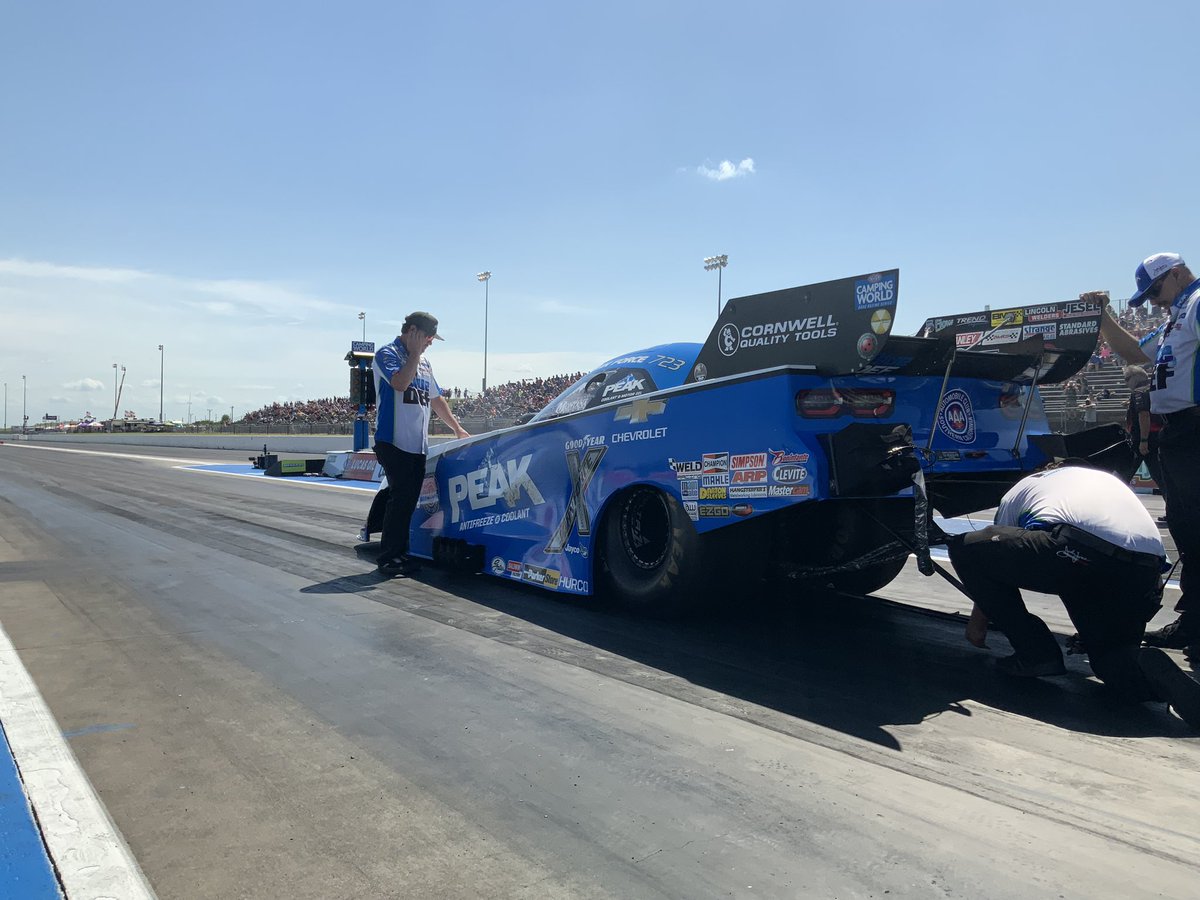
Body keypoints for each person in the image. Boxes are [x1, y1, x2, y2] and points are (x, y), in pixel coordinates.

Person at [944, 462, 1200, 729]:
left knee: (966, 548)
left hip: (1080, 553)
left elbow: (991, 559)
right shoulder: (1106, 481)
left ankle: (1035, 653)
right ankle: (1142, 670)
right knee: (1110, 660)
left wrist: (977, 624)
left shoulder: (1021, 489)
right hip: (1144, 570)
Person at [1086, 252, 1200, 649]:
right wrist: (1101, 315)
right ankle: (1194, 623)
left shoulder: (1198, 303)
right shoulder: (1176, 317)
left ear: (1178, 274)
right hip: (1179, 431)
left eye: (1155, 290)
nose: (1153, 301)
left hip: (1194, 425)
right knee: (1188, 528)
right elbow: (1136, 354)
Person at [372, 311, 470, 576]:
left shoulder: (425, 363)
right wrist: (414, 354)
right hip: (392, 441)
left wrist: (457, 429)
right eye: (427, 337)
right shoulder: (387, 354)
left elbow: (436, 399)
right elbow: (400, 384)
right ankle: (389, 556)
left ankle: (400, 552)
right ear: (412, 331)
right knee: (400, 497)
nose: (430, 342)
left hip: (417, 444)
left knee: (407, 500)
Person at [1123, 364, 1167, 521]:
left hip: (1144, 440)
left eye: (1127, 379)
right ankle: (1173, 509)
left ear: (1134, 378)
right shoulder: (1153, 389)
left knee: (1123, 475)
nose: (1126, 382)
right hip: (1158, 437)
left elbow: (1144, 416)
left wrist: (1143, 440)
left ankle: (1114, 508)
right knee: (1161, 477)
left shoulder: (1139, 393)